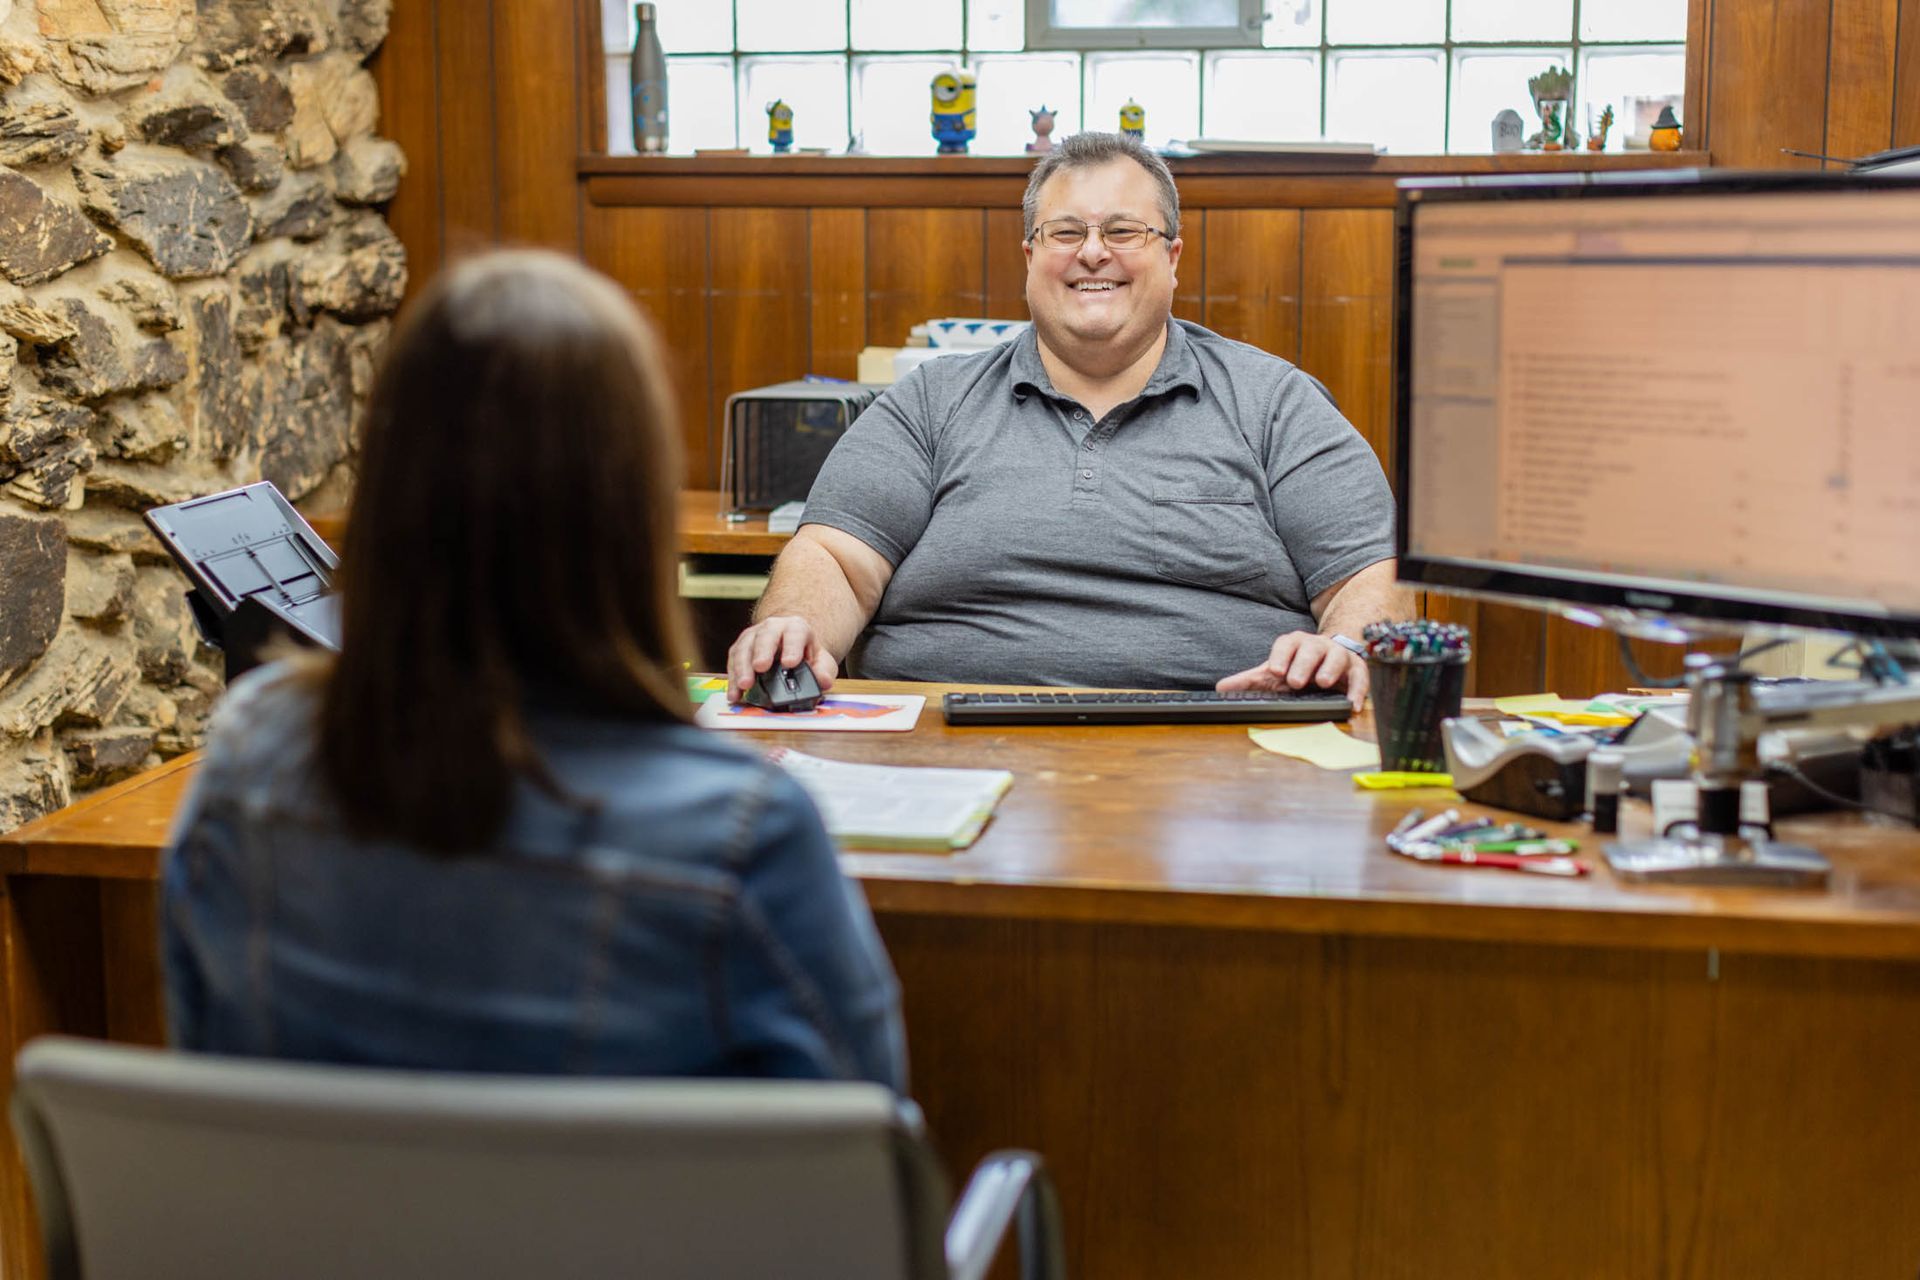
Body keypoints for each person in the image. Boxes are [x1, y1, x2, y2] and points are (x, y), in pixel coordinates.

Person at [162, 250, 904, 1090]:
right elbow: (860, 1143)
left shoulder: (247, 758)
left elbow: (208, 1063)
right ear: (631, 506)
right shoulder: (743, 828)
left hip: (325, 1223)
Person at [729, 131, 1403, 709]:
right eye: (1066, 232)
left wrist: (1342, 648)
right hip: (944, 739)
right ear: (1030, 258)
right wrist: (794, 626)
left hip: (1221, 749)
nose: (1092, 253)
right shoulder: (930, 401)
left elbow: (1370, 574)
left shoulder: (1276, 403)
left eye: (1123, 231)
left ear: (1171, 258)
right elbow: (836, 559)